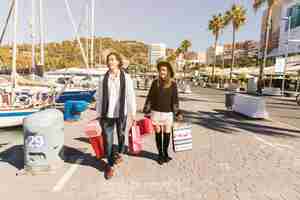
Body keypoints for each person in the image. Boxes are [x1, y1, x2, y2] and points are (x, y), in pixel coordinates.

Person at [96, 52, 136, 179]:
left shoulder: (126, 77)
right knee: (107, 139)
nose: (110, 62)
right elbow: (100, 97)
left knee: (121, 136)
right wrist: (98, 113)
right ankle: (110, 165)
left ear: (118, 62)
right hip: (107, 113)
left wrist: (133, 113)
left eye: (113, 60)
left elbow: (130, 95)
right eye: (109, 60)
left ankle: (119, 153)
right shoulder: (103, 78)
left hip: (121, 112)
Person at [143, 60, 183, 165]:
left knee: (167, 133)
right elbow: (150, 97)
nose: (162, 72)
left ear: (168, 71)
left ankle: (165, 153)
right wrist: (147, 110)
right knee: (158, 133)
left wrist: (178, 113)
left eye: (164, 70)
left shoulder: (173, 84)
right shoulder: (155, 82)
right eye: (160, 70)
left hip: (168, 113)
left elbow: (175, 100)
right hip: (156, 113)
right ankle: (160, 154)